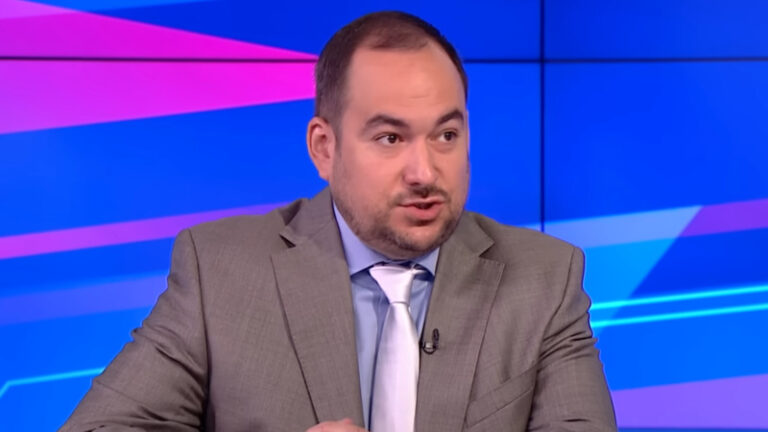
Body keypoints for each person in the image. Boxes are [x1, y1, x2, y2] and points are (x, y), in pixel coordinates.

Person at [61, 11, 616, 432]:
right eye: (390, 138)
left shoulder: (544, 279)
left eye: (446, 135)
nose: (425, 172)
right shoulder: (221, 273)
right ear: (324, 149)